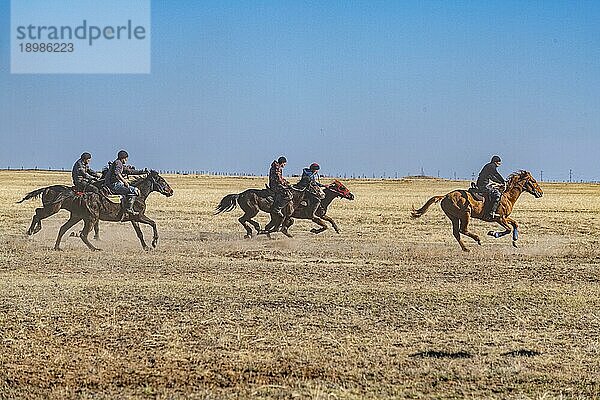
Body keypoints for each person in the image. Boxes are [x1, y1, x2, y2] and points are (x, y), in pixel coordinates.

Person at [104, 150, 147, 216]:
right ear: (123, 158)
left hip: (113, 183)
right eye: (126, 158)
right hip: (113, 185)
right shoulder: (118, 163)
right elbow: (117, 173)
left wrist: (142, 171)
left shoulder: (119, 163)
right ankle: (128, 209)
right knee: (134, 190)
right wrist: (124, 181)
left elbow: (130, 171)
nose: (126, 160)